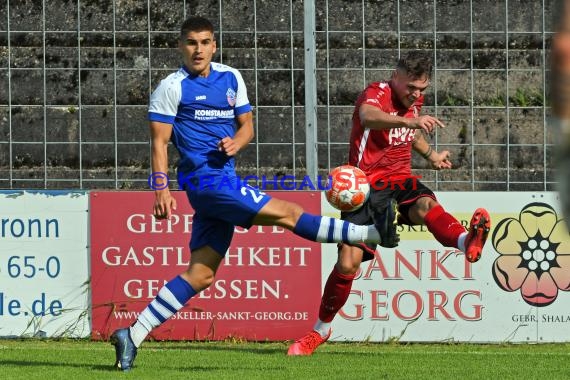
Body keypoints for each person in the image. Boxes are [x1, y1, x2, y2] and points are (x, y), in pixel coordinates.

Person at [110, 16, 399, 371]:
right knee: (288, 213)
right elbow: (159, 141)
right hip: (206, 182)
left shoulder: (231, 78)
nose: (198, 49)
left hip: (224, 177)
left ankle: (132, 333)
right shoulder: (172, 87)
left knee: (201, 274)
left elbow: (247, 126)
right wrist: (160, 189)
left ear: (214, 45)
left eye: (204, 42)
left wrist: (237, 142)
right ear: (180, 46)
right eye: (191, 43)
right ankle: (372, 232)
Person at [287, 51, 491, 356]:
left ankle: (466, 242)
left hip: (399, 181)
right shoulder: (376, 94)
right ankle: (321, 330)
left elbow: (410, 134)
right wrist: (409, 121)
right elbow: (369, 117)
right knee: (347, 264)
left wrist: (432, 156)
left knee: (425, 207)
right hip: (363, 189)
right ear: (395, 77)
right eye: (411, 88)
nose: (416, 95)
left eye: (422, 90)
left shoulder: (413, 103)